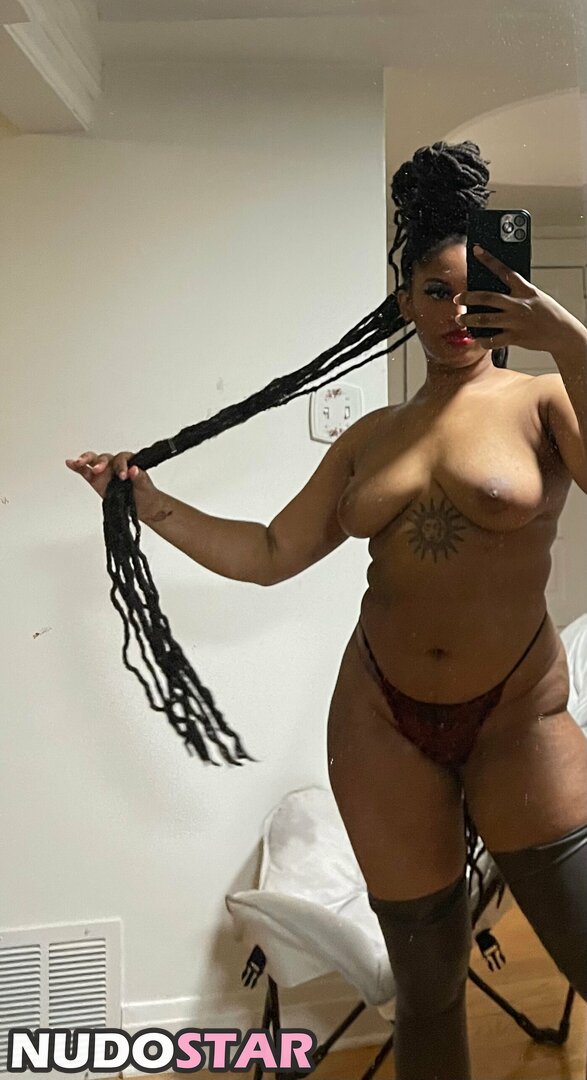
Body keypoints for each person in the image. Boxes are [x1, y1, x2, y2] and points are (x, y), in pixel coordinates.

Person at [67, 142, 587, 1079]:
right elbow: (270, 553)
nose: (455, 312)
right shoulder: (369, 437)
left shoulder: (544, 398)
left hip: (518, 713)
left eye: (476, 290)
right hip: (380, 720)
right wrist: (147, 504)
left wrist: (574, 345)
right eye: (434, 291)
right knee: (425, 992)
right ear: (404, 305)